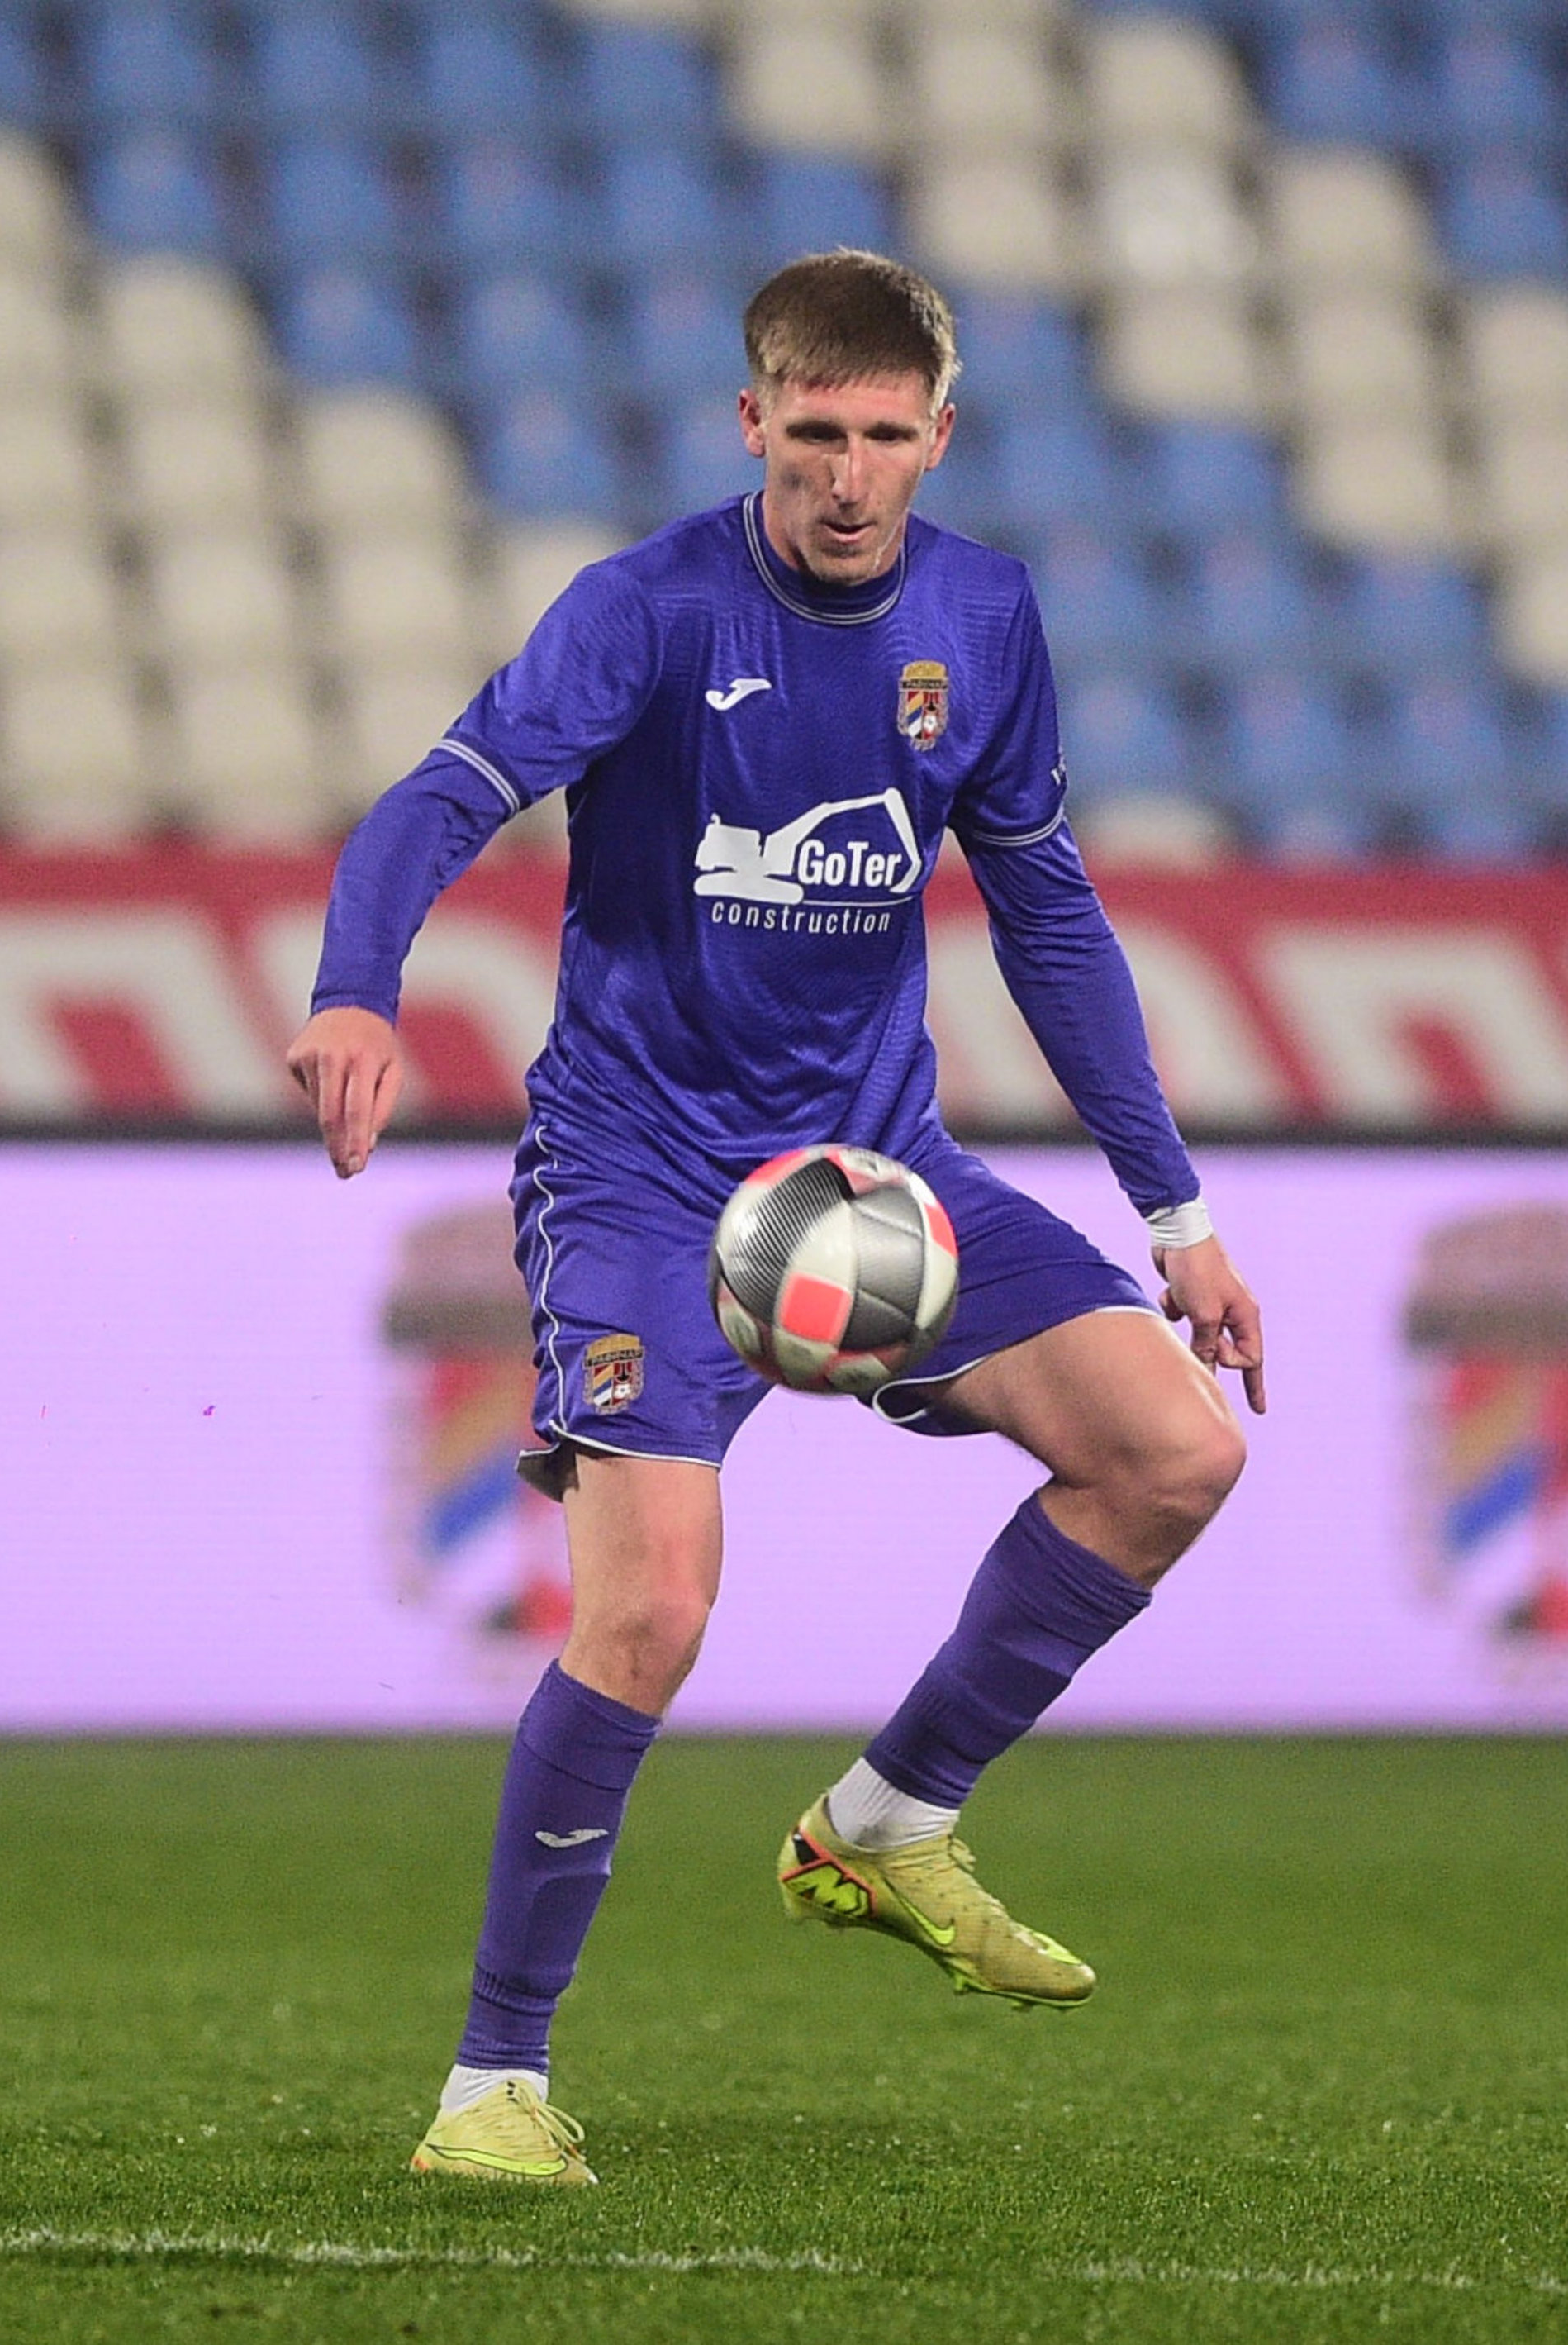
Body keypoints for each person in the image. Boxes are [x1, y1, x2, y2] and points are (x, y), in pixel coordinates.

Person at [287, 252, 1265, 2187]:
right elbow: (437, 799)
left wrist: (1177, 1210)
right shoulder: (642, 610)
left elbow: (1049, 917)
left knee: (1172, 1451)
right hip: (641, 1168)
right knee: (647, 1611)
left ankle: (890, 1822)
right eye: (810, 432)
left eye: (882, 436)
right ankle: (491, 2085)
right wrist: (355, 983)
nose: (845, 472)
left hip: (873, 1179)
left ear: (936, 437)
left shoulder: (982, 614)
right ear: (752, 424)